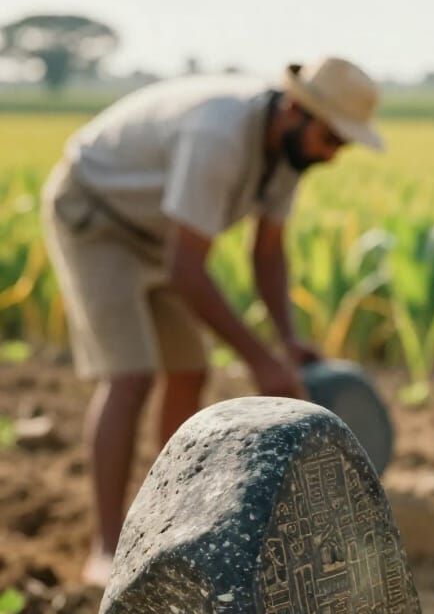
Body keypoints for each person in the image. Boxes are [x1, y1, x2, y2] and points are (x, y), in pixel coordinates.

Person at [41, 57, 384, 586]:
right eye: (331, 139)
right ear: (295, 110)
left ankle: (165, 525)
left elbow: (267, 253)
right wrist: (260, 360)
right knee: (131, 376)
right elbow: (186, 270)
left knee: (189, 371)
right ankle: (105, 550)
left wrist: (286, 342)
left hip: (158, 235)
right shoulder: (219, 134)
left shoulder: (288, 155)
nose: (333, 155)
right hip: (96, 217)